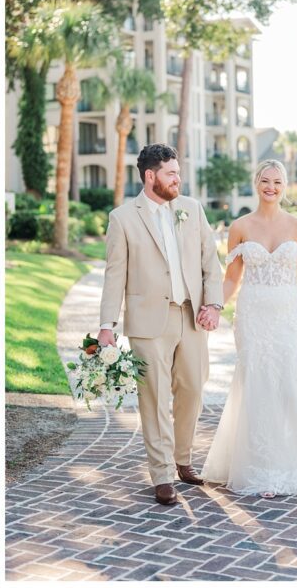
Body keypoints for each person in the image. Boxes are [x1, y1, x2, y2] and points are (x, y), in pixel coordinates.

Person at [201, 159, 297, 497]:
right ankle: (261, 465)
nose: (271, 187)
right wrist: (215, 306)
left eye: (277, 182)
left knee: (288, 381)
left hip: (288, 315)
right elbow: (231, 278)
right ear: (255, 183)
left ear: (285, 186)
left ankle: (294, 458)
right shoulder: (240, 227)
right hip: (252, 315)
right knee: (256, 382)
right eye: (265, 181)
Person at [98, 144, 224, 506]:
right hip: (147, 322)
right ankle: (163, 474)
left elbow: (210, 262)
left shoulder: (191, 209)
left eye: (178, 172)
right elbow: (114, 274)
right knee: (153, 398)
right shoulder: (122, 218)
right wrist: (107, 324)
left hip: (192, 316)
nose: (178, 179)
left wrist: (212, 305)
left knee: (193, 390)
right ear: (150, 176)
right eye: (171, 173)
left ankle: (183, 458)